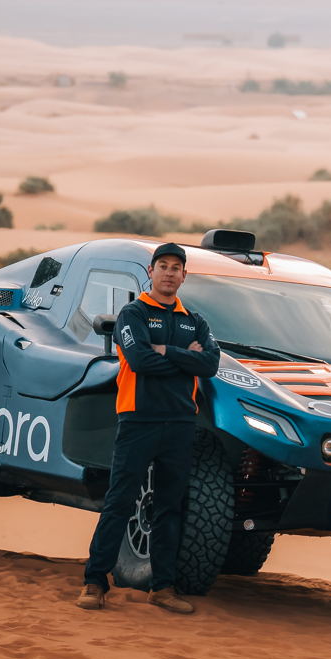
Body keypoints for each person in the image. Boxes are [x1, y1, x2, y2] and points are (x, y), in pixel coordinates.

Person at [78, 242, 220, 614]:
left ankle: (163, 587)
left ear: (184, 275)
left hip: (180, 422)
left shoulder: (196, 320)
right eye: (163, 266)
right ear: (151, 271)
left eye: (177, 267)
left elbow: (209, 365)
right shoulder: (133, 313)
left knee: (170, 506)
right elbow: (139, 360)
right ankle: (95, 582)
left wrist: (166, 352)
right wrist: (183, 356)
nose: (170, 273)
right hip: (138, 418)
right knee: (120, 502)